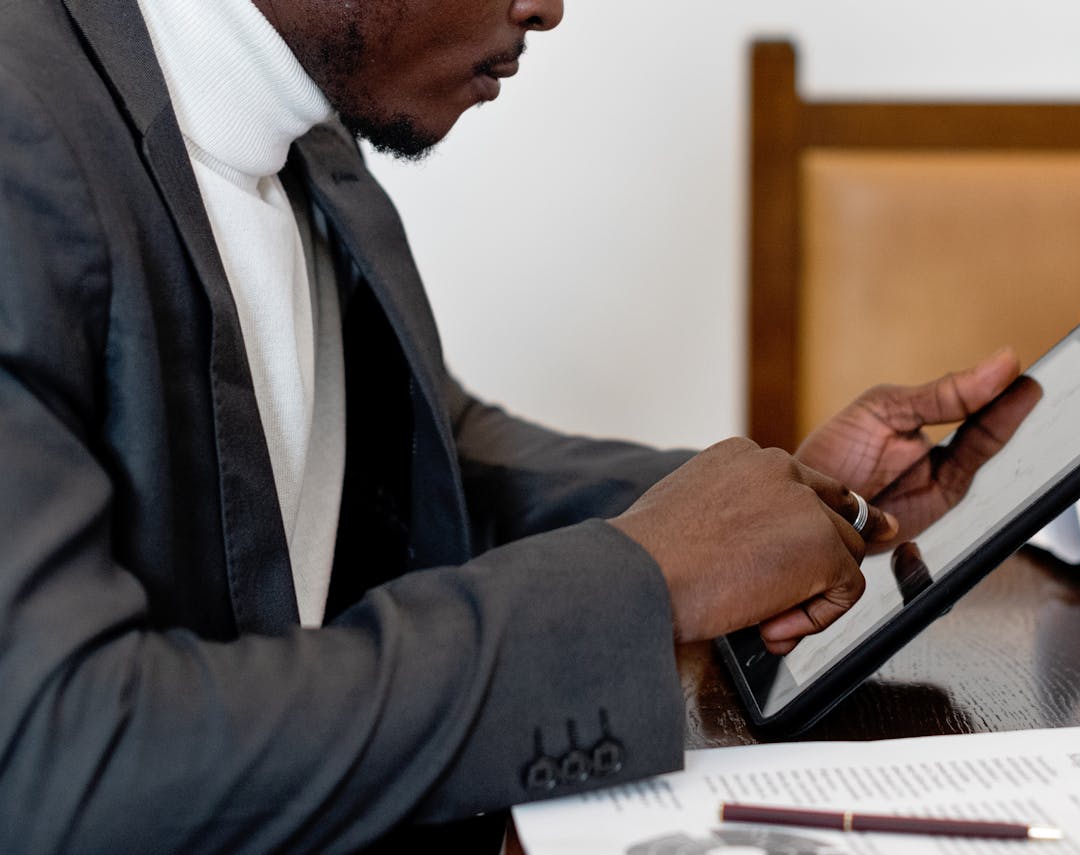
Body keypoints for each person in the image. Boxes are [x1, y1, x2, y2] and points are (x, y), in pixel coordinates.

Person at [0, 0, 1021, 850]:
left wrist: (773, 506)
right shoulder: (20, 140)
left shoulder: (306, 133)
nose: (547, 6)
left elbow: (427, 448)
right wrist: (645, 583)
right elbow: (64, 751)